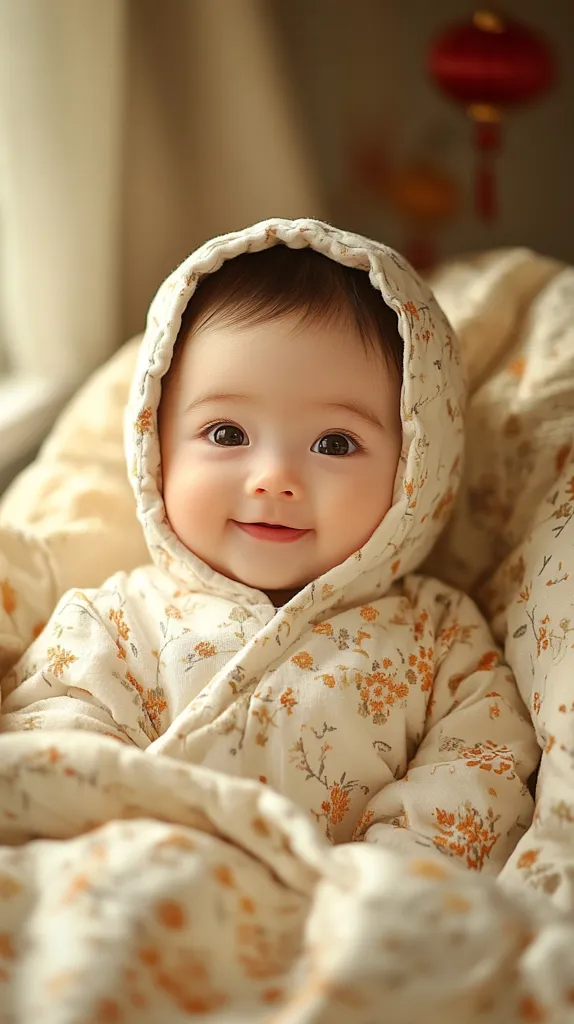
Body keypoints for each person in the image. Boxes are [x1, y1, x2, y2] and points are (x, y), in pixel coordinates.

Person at [0, 218, 538, 867]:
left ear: (416, 473)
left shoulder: (441, 636)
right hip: (131, 879)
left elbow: (477, 778)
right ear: (155, 446)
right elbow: (48, 753)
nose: (274, 479)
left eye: (334, 443)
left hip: (337, 916)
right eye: (227, 434)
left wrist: (365, 891)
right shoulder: (112, 617)